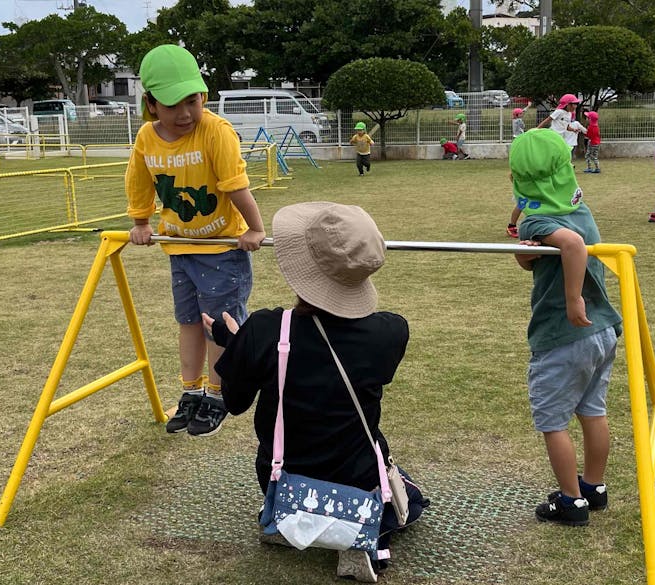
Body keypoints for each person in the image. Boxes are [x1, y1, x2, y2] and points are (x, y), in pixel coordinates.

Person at [210, 202, 429, 582]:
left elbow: (234, 402)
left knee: (286, 462)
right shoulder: (390, 333)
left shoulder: (265, 330)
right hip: (356, 474)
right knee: (409, 494)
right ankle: (361, 535)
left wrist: (237, 344)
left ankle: (286, 518)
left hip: (283, 473)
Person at [125, 44, 267, 437]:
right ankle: (191, 391)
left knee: (216, 325)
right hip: (179, 247)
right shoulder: (146, 139)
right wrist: (140, 222)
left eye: (193, 100)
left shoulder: (215, 132)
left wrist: (254, 229)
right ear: (151, 105)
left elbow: (235, 184)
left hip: (221, 246)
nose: (186, 113)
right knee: (188, 322)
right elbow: (138, 181)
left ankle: (219, 393)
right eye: (173, 105)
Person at [509, 128, 623, 527]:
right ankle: (594, 486)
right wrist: (526, 258)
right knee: (593, 410)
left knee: (552, 419)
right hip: (603, 330)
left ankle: (571, 503)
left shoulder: (536, 220)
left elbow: (571, 247)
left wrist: (573, 298)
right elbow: (548, 256)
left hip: (564, 335)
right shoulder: (580, 210)